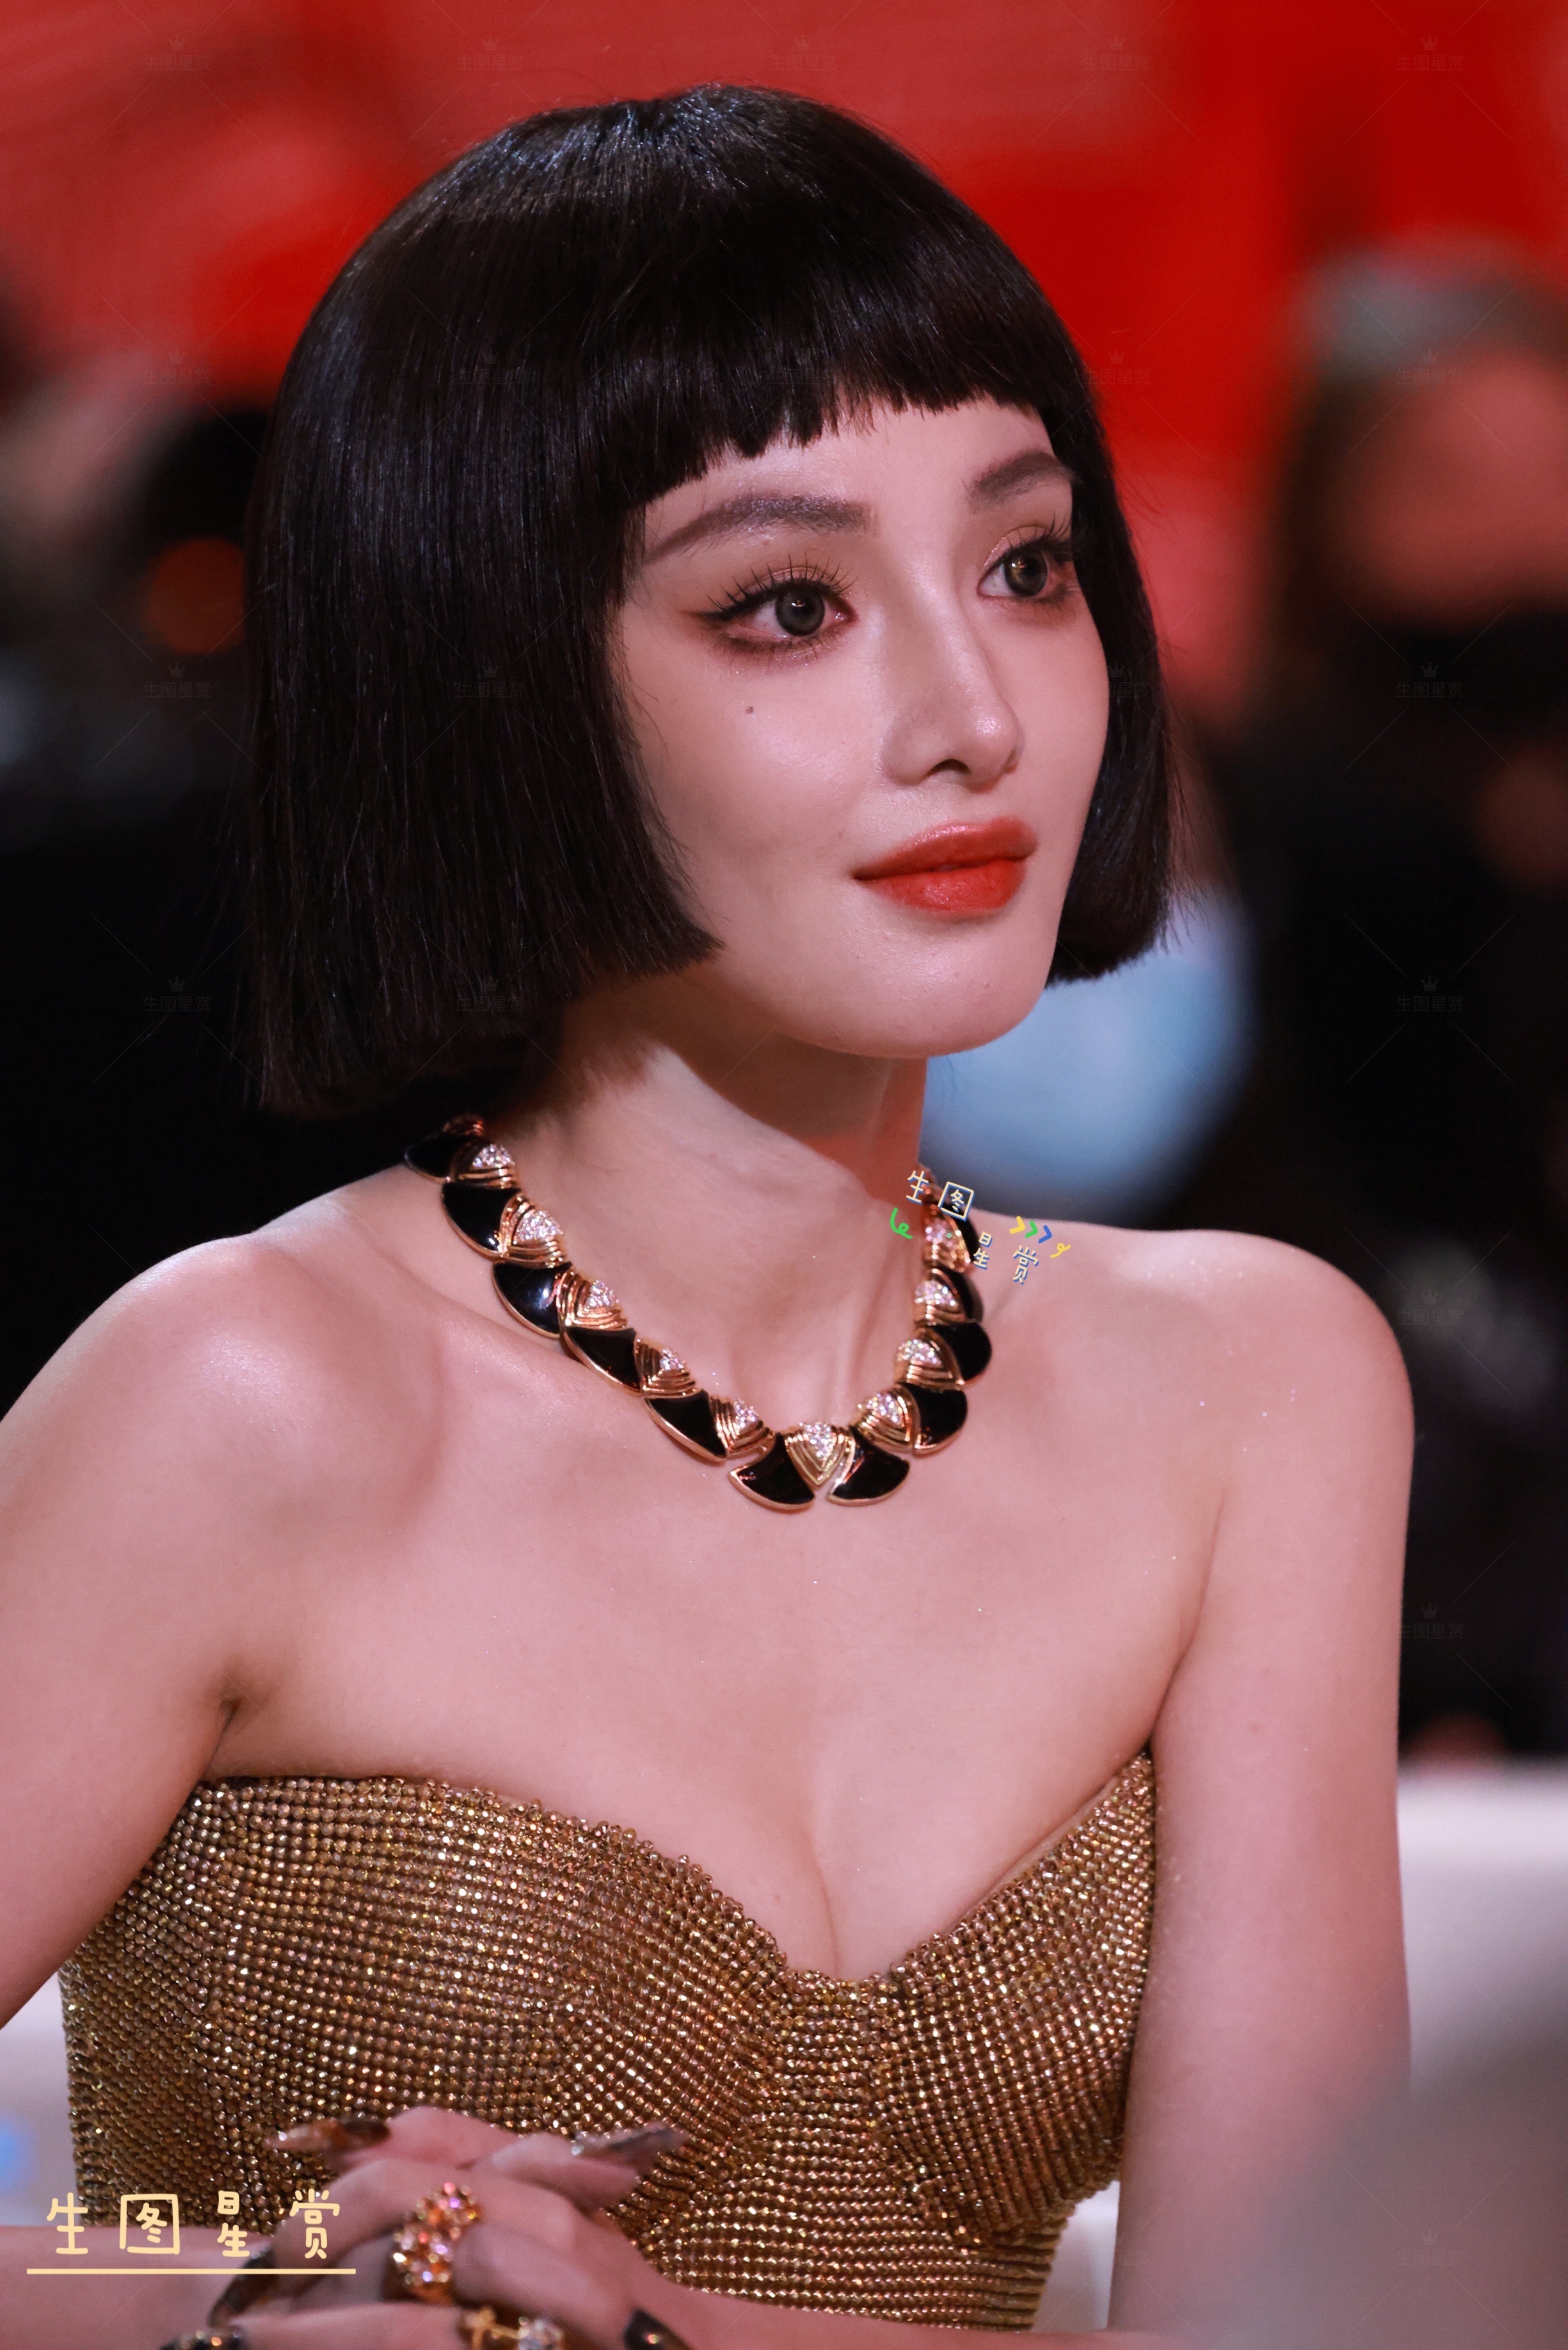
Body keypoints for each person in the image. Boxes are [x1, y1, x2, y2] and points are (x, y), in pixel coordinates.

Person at [0, 88, 1411, 2350]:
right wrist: (217, 2281)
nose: (975, 716)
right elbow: (80, 2253)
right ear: (495, 679)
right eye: (788, 605)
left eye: (1027, 565)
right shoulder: (243, 1391)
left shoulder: (1249, 1383)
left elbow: (1304, 2333)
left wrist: (656, 2322)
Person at [1169, 248, 1568, 1757]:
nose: (1517, 538)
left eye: (1554, 477)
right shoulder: (1239, 841)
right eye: (1445, 482)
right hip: (1375, 1568)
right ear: (1325, 514)